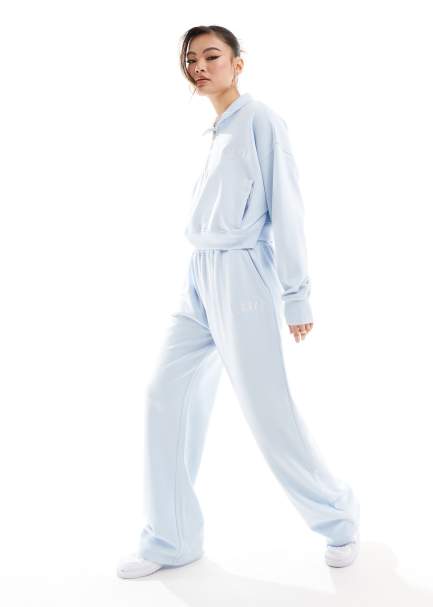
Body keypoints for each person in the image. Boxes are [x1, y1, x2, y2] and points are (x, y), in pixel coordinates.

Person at [117, 25, 360, 579]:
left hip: (243, 276)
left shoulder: (260, 121)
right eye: (191, 59)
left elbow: (287, 207)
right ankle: (172, 539)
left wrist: (297, 296)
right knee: (164, 395)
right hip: (198, 274)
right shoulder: (218, 129)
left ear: (237, 63)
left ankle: (339, 518)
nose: (199, 67)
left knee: (267, 410)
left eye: (212, 56)